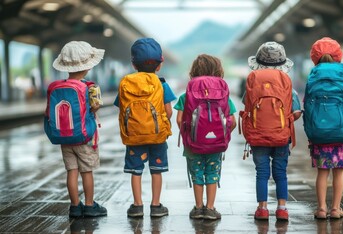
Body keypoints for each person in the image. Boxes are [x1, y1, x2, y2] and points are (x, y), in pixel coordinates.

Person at [114, 38, 176, 217]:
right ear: (159, 65)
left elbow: (122, 107)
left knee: (136, 171)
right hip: (157, 136)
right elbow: (168, 111)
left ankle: (137, 205)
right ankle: (156, 206)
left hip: (134, 137)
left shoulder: (126, 83)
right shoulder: (162, 84)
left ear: (134, 64)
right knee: (157, 170)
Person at [174, 54, 237, 220]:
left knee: (197, 173)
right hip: (216, 144)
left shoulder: (185, 95)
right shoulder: (224, 95)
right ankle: (210, 208)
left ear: (194, 71)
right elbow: (233, 121)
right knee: (212, 173)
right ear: (218, 71)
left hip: (193, 144)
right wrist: (221, 133)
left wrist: (190, 133)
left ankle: (198, 207)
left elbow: (180, 119)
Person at [244, 42, 302, 221]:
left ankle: (262, 209)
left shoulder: (253, 79)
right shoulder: (286, 83)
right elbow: (297, 112)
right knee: (280, 172)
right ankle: (282, 208)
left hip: (257, 135)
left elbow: (247, 105)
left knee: (261, 172)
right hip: (281, 136)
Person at [308, 37, 343, 219]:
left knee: (322, 173)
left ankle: (321, 209)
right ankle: (335, 209)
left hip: (318, 132)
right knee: (338, 172)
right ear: (338, 55)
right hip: (341, 133)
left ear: (315, 57)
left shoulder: (313, 75)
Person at [51, 41, 107, 217]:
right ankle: (90, 206)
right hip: (84, 137)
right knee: (86, 171)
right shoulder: (91, 87)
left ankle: (75, 206)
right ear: (87, 67)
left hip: (65, 137)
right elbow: (96, 107)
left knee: (72, 171)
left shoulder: (58, 87)